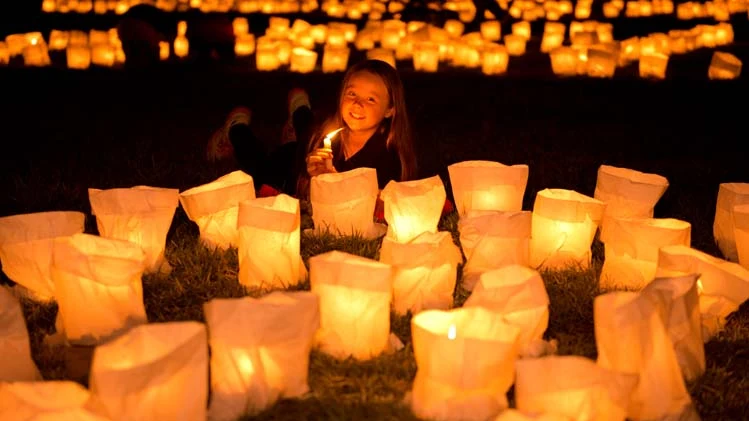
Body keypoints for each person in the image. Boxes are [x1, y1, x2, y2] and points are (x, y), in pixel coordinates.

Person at [206, 59, 417, 200]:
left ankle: (256, 126)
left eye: (371, 99)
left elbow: (373, 201)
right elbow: (301, 186)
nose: (358, 104)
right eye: (352, 94)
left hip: (295, 161)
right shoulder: (326, 135)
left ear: (390, 109)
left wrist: (328, 178)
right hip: (290, 164)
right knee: (298, 138)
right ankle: (239, 129)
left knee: (290, 146)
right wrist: (309, 175)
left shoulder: (390, 158)